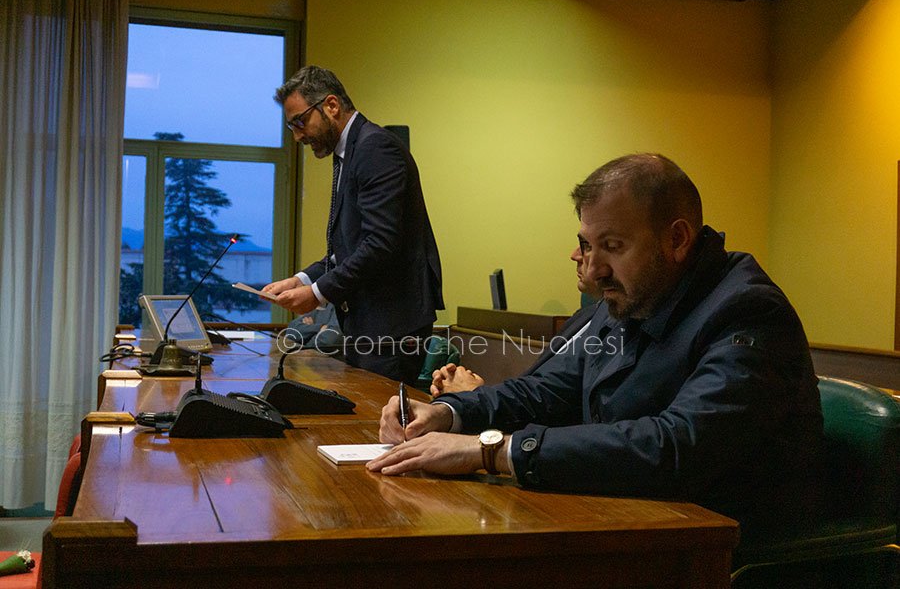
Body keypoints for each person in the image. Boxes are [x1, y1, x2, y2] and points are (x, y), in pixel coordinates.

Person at [368, 153, 824, 535]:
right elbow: (546, 390)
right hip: (633, 519)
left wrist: (491, 451)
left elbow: (677, 446)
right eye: (589, 244)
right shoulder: (634, 297)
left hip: (716, 542)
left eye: (613, 245)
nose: (595, 267)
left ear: (677, 239)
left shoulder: (746, 312)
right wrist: (449, 414)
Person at [264, 66, 443, 383]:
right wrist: (301, 279)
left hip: (390, 326)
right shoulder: (351, 151)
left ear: (331, 106)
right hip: (372, 322)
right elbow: (350, 248)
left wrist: (317, 293)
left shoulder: (375, 148)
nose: (297, 136)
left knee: (382, 424)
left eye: (300, 122)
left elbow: (380, 244)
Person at [430, 245, 602, 397]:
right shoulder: (583, 317)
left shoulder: (615, 336)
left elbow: (558, 406)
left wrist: (475, 395)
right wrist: (471, 393)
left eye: (588, 245)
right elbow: (538, 388)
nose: (574, 255)